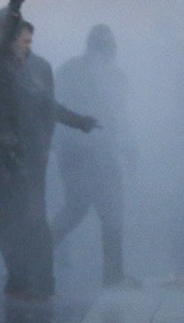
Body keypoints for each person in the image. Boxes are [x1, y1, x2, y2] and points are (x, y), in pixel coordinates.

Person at [0, 0, 98, 301]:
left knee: (29, 215)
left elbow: (46, 104)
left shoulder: (34, 68)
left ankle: (34, 278)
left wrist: (78, 123)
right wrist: (14, 9)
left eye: (28, 39)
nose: (25, 43)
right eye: (18, 37)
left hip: (25, 153)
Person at [51, 24, 138, 287]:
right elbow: (118, 117)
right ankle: (112, 275)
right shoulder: (111, 76)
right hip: (87, 151)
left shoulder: (70, 70)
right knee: (98, 212)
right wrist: (130, 151)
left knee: (83, 210)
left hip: (86, 151)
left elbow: (118, 117)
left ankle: (35, 258)